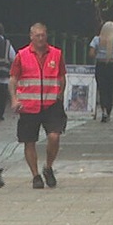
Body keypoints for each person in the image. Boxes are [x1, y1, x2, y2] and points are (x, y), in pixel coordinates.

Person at [9, 22, 66, 189]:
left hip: (51, 104)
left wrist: (60, 94)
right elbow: (13, 78)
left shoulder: (56, 54)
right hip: (29, 106)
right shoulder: (22, 55)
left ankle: (48, 167)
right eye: (37, 35)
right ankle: (35, 175)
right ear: (31, 36)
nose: (40, 38)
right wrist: (14, 99)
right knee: (29, 141)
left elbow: (62, 76)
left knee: (54, 136)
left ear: (46, 35)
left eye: (43, 35)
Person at [88, 21, 113, 122]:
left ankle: (103, 111)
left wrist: (98, 55)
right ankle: (109, 111)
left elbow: (91, 53)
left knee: (102, 90)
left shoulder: (96, 39)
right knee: (110, 90)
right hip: (112, 65)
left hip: (101, 65)